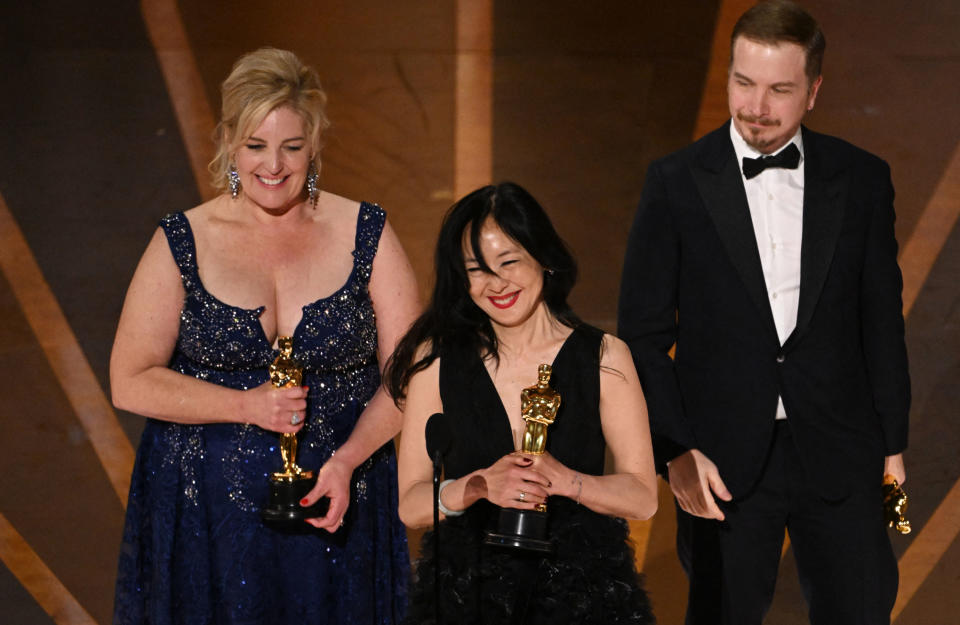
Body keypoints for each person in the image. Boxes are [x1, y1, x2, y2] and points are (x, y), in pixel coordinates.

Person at [617, 2, 910, 624]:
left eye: (779, 89)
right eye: (743, 82)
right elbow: (642, 335)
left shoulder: (861, 179)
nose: (755, 106)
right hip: (721, 459)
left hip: (840, 448)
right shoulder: (674, 182)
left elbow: (880, 320)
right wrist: (675, 450)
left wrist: (893, 443)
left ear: (813, 92)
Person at [110, 47, 418, 624]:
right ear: (229, 140)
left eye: (291, 147)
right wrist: (245, 406)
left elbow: (410, 377)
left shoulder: (367, 232)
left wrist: (348, 462)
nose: (272, 165)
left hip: (339, 504)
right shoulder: (183, 239)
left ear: (316, 144)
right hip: (206, 518)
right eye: (255, 145)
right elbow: (129, 381)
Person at [385, 182, 658, 625]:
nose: (496, 284)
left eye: (508, 262)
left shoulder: (605, 357)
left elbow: (644, 497)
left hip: (584, 599)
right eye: (476, 269)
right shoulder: (436, 361)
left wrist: (569, 481)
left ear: (543, 258)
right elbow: (411, 504)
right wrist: (477, 485)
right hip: (465, 598)